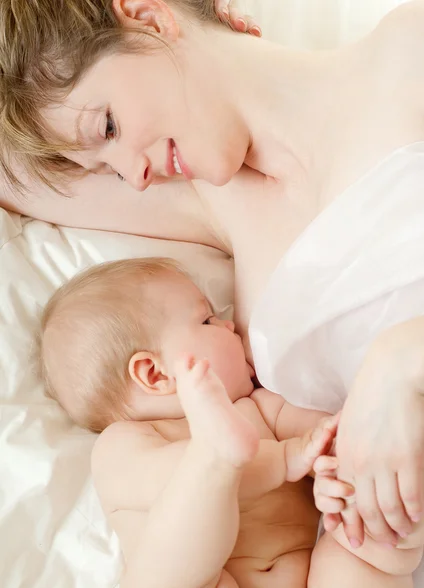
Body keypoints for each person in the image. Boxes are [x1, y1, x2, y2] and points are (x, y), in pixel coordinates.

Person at [1, 0, 424, 551]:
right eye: (105, 166)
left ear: (148, 15)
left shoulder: (407, 51)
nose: (134, 175)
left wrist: (401, 360)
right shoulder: (208, 205)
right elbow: (17, 173)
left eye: (108, 126)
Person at [38, 257, 423, 588]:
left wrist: (333, 472)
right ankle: (213, 459)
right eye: (206, 320)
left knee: (369, 539)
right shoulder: (121, 446)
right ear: (155, 374)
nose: (228, 323)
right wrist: (285, 457)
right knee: (165, 579)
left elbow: (331, 436)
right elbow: (171, 481)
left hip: (317, 583)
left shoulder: (260, 406)